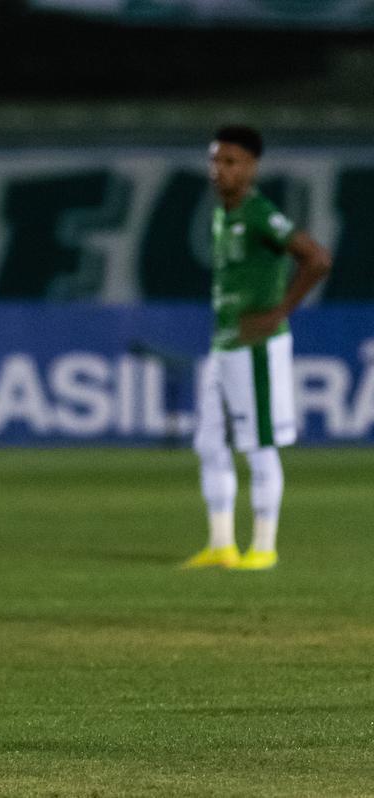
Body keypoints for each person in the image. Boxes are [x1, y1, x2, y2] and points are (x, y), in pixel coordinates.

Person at [183, 125, 331, 572]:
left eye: (229, 162)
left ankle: (263, 547)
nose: (218, 170)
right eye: (214, 160)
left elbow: (317, 258)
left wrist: (280, 310)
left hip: (258, 347)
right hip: (224, 343)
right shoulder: (222, 214)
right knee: (209, 443)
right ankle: (222, 544)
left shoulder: (260, 212)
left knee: (260, 445)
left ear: (250, 167)